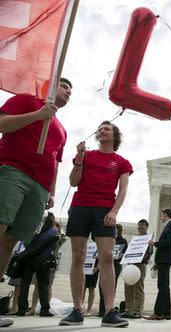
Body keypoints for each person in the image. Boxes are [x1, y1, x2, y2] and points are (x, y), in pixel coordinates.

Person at [0, 78, 72, 327]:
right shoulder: (26, 100)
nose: (68, 92)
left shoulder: (62, 129)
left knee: (10, 240)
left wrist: (51, 191)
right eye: (64, 87)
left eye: (71, 91)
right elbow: (3, 124)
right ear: (50, 86)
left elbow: (55, 160)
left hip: (40, 187)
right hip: (13, 171)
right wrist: (38, 114)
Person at [60, 121, 132, 327]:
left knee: (107, 257)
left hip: (105, 211)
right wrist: (80, 158)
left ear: (115, 136)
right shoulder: (86, 155)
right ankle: (76, 309)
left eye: (107, 129)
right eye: (100, 129)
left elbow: (124, 189)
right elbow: (73, 181)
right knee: (78, 256)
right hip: (80, 207)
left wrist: (114, 211)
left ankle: (109, 310)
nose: (102, 131)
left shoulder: (122, 162)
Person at [17, 212, 59, 317]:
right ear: (52, 221)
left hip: (29, 259)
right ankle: (44, 310)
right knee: (43, 285)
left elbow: (25, 243)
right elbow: (54, 247)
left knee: (24, 284)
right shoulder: (54, 232)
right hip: (43, 261)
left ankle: (22, 309)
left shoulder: (35, 231)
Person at [145, 208, 171, 320]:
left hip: (165, 261)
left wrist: (155, 243)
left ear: (166, 215)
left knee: (162, 287)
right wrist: (157, 263)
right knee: (164, 287)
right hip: (163, 261)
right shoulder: (168, 226)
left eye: (161, 215)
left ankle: (158, 313)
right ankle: (167, 313)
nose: (160, 217)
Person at [121, 219, 152, 319]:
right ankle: (128, 310)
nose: (140, 227)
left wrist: (139, 258)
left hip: (140, 265)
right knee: (128, 287)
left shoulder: (148, 239)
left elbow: (149, 253)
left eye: (142, 226)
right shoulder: (135, 239)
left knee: (138, 288)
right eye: (139, 225)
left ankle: (137, 311)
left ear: (147, 227)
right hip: (130, 265)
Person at [98, 223, 128, 317]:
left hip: (116, 264)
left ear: (119, 230)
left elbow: (124, 254)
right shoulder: (107, 239)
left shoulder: (123, 241)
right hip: (105, 264)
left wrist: (119, 255)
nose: (114, 230)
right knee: (101, 286)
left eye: (115, 229)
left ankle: (108, 309)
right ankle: (101, 310)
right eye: (113, 228)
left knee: (111, 286)